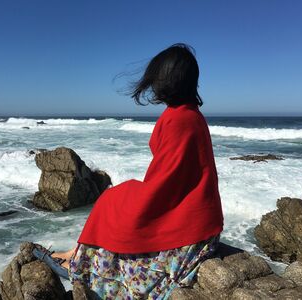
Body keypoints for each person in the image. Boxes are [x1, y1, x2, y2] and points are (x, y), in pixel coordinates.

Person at [33, 43, 224, 300]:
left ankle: (77, 262)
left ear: (167, 81)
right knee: (118, 199)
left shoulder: (178, 119)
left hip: (191, 227)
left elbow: (162, 186)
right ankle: (75, 254)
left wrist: (128, 196)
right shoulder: (192, 115)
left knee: (112, 200)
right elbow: (174, 178)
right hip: (203, 218)